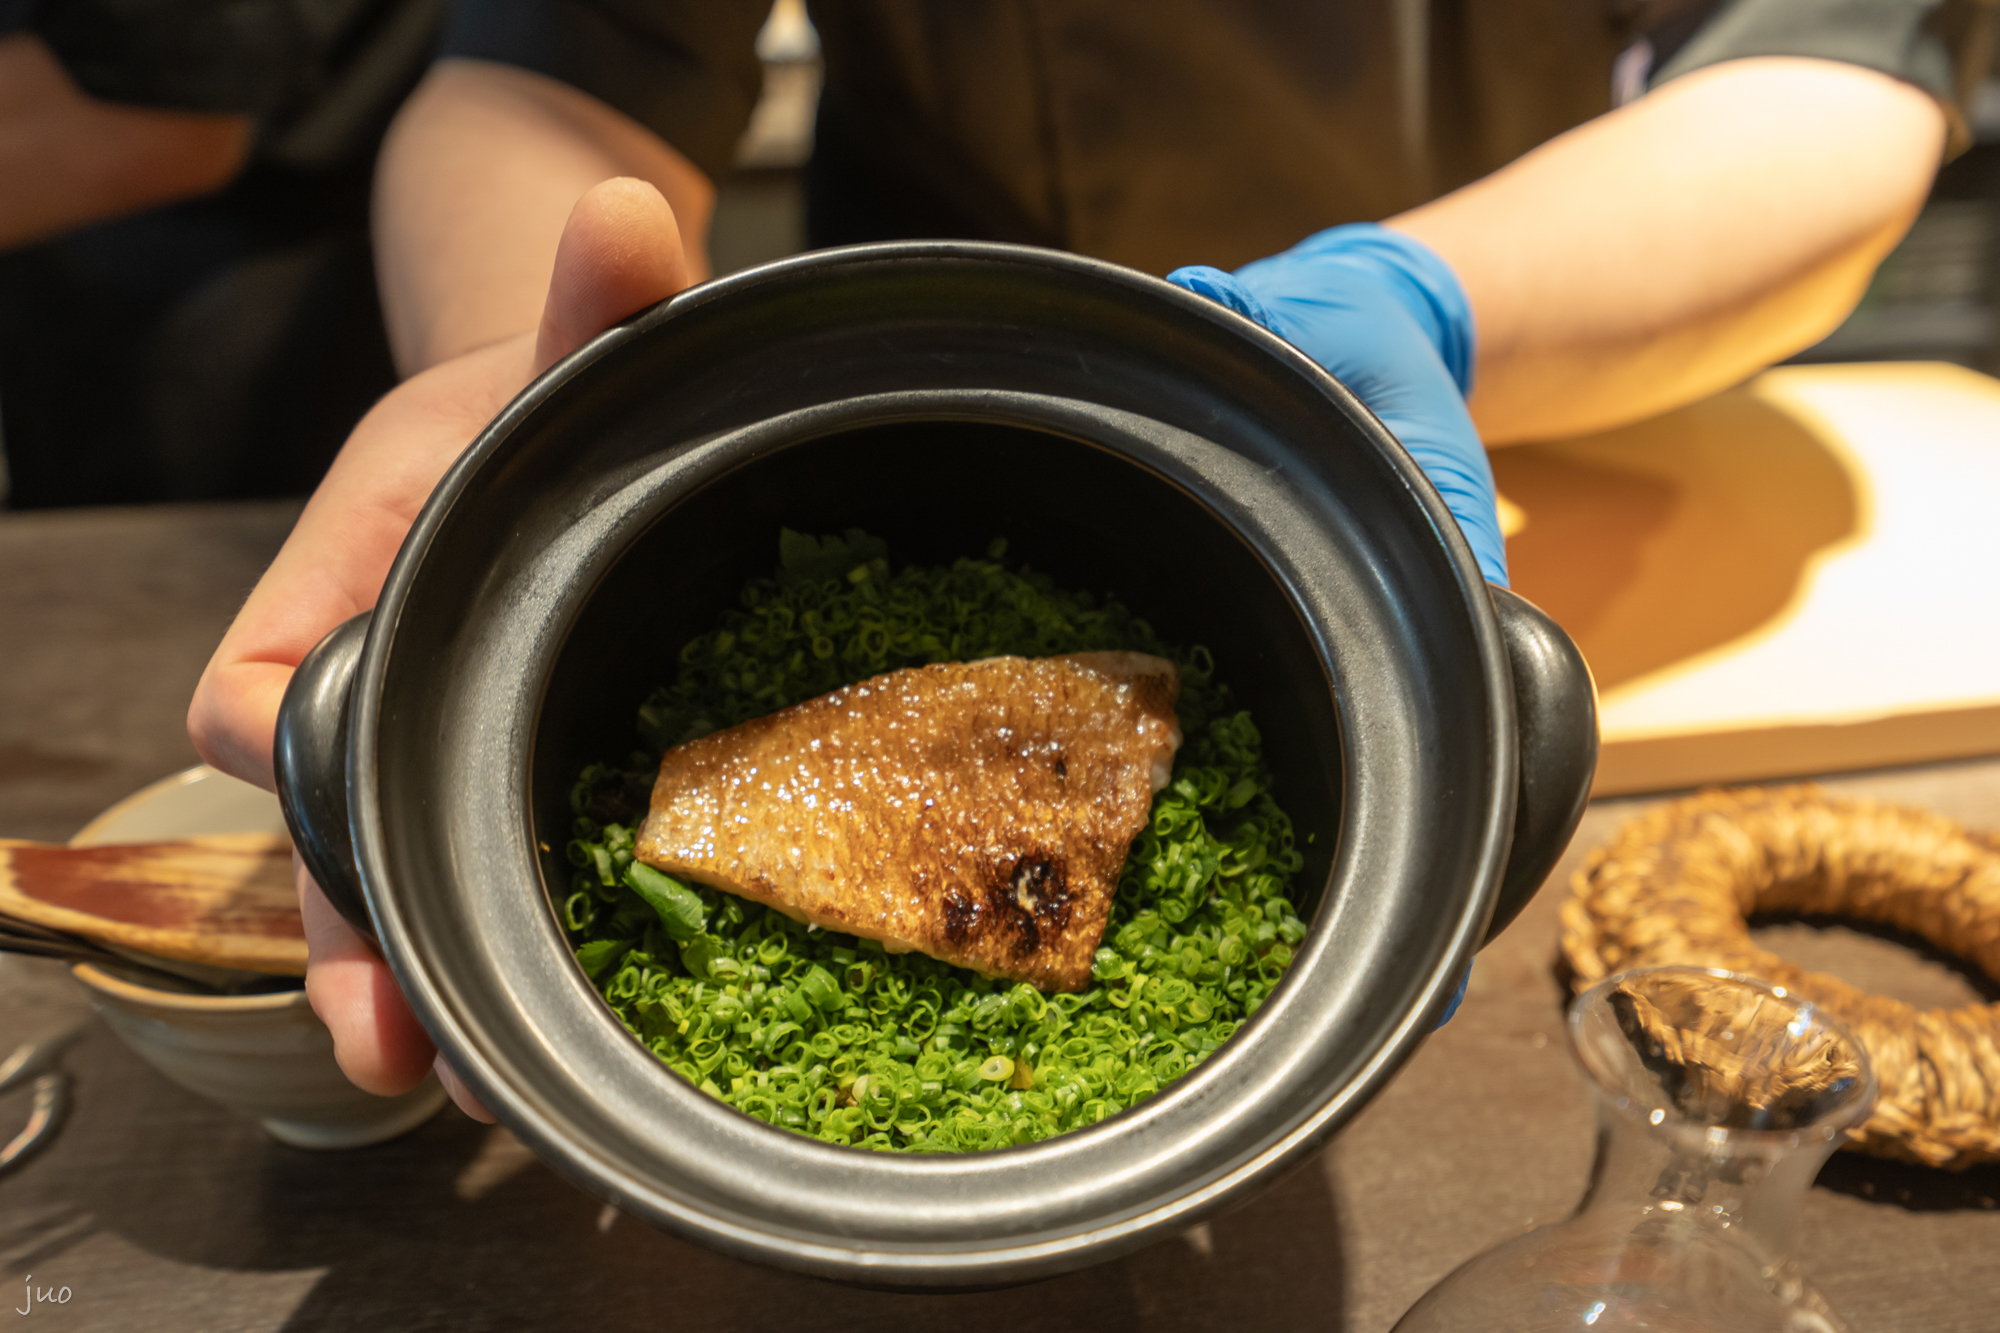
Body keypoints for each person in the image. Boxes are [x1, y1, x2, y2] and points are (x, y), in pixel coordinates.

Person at [188, 0, 1972, 1119]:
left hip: (1540, 362)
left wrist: (1424, 293)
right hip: (908, 348)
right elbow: (547, 73)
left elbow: (1836, 73)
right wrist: (533, 405)